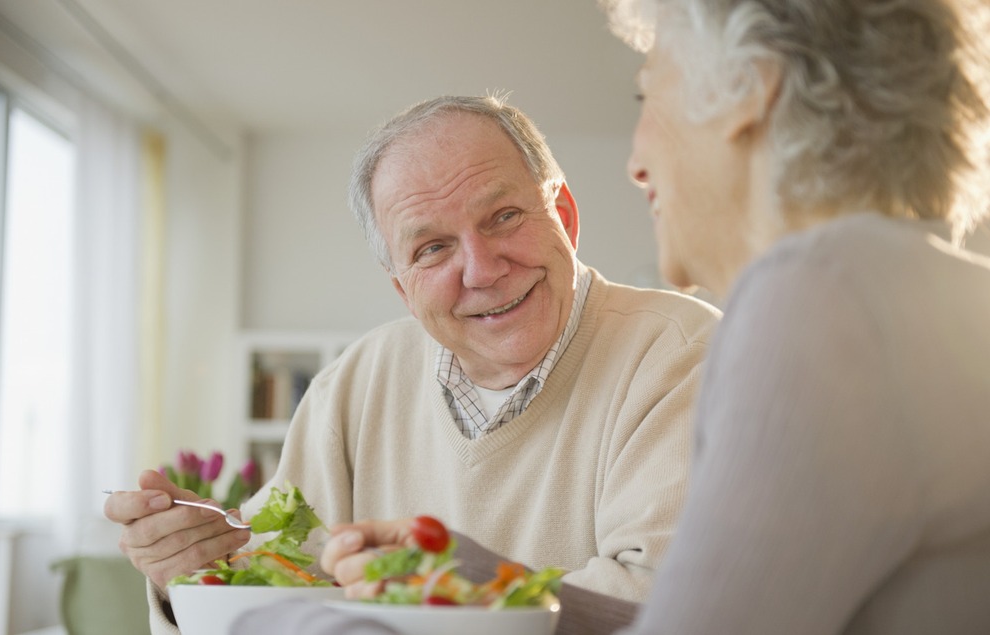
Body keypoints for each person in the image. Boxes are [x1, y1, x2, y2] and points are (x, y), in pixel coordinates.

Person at [243, 0, 990, 633]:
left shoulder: (817, 298)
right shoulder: (922, 289)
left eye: (647, 97)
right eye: (434, 247)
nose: (636, 161)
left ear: (748, 94)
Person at [104, 94, 722, 635]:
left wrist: (461, 594)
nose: (481, 270)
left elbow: (677, 606)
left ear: (562, 216)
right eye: (432, 248)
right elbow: (279, 587)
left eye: (503, 217)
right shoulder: (353, 383)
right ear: (403, 287)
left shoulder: (683, 352)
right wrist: (191, 574)